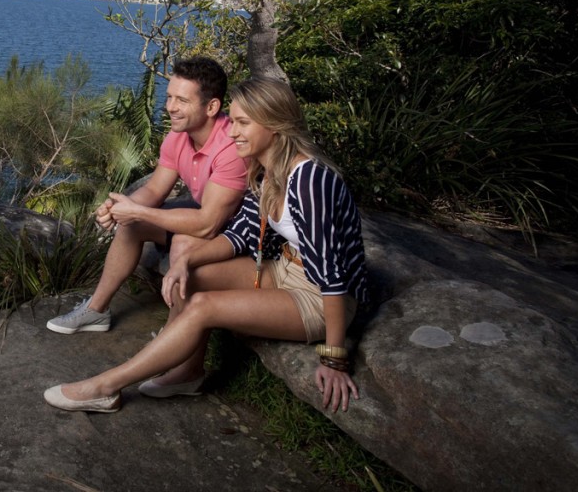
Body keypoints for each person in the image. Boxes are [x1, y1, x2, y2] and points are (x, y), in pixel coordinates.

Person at [44, 77, 369, 414]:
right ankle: (187, 373)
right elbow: (240, 234)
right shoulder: (264, 169)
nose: (232, 132)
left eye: (243, 123)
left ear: (275, 125)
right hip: (282, 269)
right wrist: (186, 262)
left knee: (202, 307)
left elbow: (333, 277)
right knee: (190, 277)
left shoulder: (310, 180)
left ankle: (104, 387)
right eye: (234, 121)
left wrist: (335, 360)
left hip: (321, 298)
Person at [46, 57, 248, 334]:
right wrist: (118, 208)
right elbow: (154, 190)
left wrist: (137, 211)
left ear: (212, 106)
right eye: (169, 97)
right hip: (207, 212)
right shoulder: (179, 136)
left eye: (182, 101)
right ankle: (96, 310)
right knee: (133, 225)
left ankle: (173, 335)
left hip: (239, 229)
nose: (171, 108)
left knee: (181, 243)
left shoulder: (231, 147)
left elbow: (208, 223)